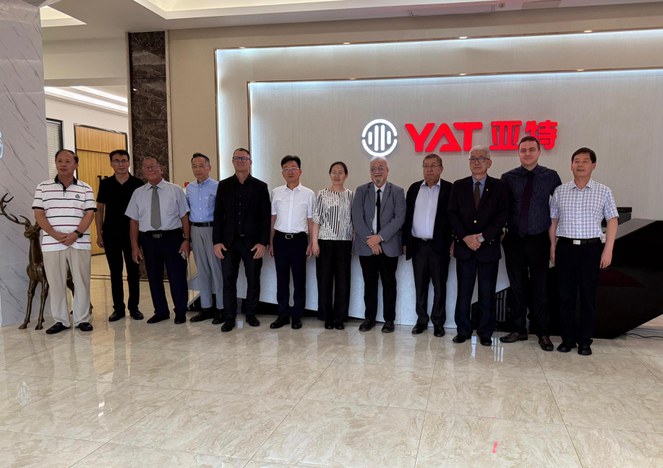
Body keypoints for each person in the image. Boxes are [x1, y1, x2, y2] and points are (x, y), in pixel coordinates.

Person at [549, 147, 618, 356]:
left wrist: (608, 249)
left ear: (593, 165)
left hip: (591, 249)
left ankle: (585, 340)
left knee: (588, 296)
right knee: (565, 296)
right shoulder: (560, 191)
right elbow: (553, 221)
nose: (580, 164)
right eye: (576, 161)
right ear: (571, 165)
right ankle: (567, 339)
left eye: (585, 161)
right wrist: (552, 246)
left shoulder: (603, 191)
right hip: (566, 248)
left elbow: (612, 220)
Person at [500, 136, 562, 351]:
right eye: (523, 150)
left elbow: (559, 208)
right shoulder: (508, 178)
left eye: (531, 149)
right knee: (516, 286)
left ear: (539, 152)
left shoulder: (550, 176)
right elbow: (501, 208)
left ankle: (542, 332)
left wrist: (555, 241)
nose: (527, 153)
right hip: (514, 239)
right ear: (518, 153)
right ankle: (518, 329)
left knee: (540, 287)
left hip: (539, 239)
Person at [448, 146, 508, 346]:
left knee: (487, 292)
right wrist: (465, 237)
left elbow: (502, 216)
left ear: (489, 163)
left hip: (488, 249)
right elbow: (452, 214)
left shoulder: (499, 187)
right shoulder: (459, 185)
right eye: (472, 158)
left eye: (481, 158)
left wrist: (482, 238)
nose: (476, 162)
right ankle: (463, 330)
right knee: (464, 292)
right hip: (464, 248)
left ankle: (485, 332)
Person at [33, 149, 96, 334]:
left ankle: (82, 319)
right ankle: (61, 320)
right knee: (56, 283)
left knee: (81, 281)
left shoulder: (85, 188)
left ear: (76, 164)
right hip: (52, 244)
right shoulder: (43, 187)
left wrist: (76, 233)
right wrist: (53, 233)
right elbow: (39, 214)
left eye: (67, 161)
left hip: (79, 243)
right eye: (59, 161)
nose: (63, 164)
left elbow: (89, 214)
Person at [125, 157, 192, 324]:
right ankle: (161, 311)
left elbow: (184, 216)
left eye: (153, 166)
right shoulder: (138, 193)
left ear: (161, 168)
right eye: (146, 167)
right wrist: (135, 246)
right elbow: (134, 221)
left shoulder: (175, 190)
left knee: (177, 276)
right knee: (154, 277)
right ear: (143, 171)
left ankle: (180, 311)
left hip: (173, 238)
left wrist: (186, 239)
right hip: (149, 241)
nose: (150, 169)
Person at [213, 148, 271, 332]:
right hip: (228, 243)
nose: (240, 161)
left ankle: (251, 314)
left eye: (243, 158)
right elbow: (218, 215)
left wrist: (263, 242)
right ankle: (229, 317)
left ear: (250, 162)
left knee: (253, 279)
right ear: (232, 161)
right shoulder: (223, 185)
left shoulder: (260, 187)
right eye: (236, 158)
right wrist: (216, 241)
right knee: (228, 280)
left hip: (253, 243)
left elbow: (265, 217)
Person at [352, 156, 406, 333]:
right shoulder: (361, 191)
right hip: (366, 246)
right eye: (373, 168)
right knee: (369, 283)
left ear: (387, 171)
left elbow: (399, 218)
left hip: (389, 246)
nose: (377, 171)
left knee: (389, 283)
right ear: (370, 172)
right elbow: (357, 218)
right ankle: (369, 318)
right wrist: (371, 240)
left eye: (381, 168)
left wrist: (380, 237)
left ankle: (389, 320)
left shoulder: (397, 191)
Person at [402, 153, 452, 337]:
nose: (429, 169)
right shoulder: (414, 188)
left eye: (433, 165)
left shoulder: (450, 189)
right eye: (426, 166)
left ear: (441, 168)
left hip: (440, 246)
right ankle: (421, 320)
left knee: (439, 286)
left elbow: (454, 218)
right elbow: (407, 217)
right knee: (420, 286)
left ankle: (438, 322)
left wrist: (453, 241)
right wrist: (405, 242)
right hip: (418, 246)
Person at [95, 149, 144, 322]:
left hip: (133, 235)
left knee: (133, 272)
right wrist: (99, 233)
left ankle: (134, 307)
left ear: (129, 162)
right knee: (115, 272)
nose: (120, 164)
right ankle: (118, 309)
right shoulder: (106, 184)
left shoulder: (138, 184)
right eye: (116, 161)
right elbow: (100, 209)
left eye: (124, 160)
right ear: (111, 163)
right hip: (111, 234)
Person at [269, 155, 315, 330]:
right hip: (280, 240)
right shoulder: (276, 192)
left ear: (300, 171)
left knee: (299, 279)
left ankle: (297, 316)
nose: (290, 172)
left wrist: (311, 243)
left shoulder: (309, 194)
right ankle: (282, 315)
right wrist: (271, 242)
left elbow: (310, 221)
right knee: (281, 279)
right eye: (286, 169)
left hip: (299, 241)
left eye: (293, 168)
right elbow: (273, 218)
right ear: (282, 172)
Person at [311, 161, 354, 330]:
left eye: (340, 172)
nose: (337, 175)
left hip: (344, 243)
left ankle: (340, 318)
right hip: (325, 242)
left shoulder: (351, 195)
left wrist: (353, 242)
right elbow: (316, 220)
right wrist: (314, 242)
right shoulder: (322, 194)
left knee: (343, 281)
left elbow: (353, 221)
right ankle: (327, 317)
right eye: (333, 172)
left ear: (346, 175)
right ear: (330, 174)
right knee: (324, 280)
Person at [186, 152, 224, 324]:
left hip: (212, 230)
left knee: (217, 270)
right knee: (201, 270)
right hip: (195, 230)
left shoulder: (218, 186)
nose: (198, 169)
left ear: (209, 167)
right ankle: (206, 307)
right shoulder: (189, 188)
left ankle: (221, 308)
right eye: (194, 166)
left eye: (201, 166)